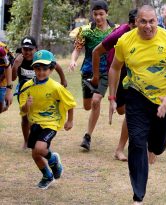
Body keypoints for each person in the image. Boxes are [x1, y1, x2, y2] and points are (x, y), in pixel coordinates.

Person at [108, 5, 166, 204]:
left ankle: (156, 147)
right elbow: (114, 68)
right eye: (143, 21)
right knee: (137, 143)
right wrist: (112, 98)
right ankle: (138, 197)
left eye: (151, 21)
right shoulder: (125, 41)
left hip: (165, 101)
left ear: (157, 21)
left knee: (157, 145)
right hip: (136, 97)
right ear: (135, 22)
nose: (147, 26)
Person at [18, 50, 76, 189]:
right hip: (35, 123)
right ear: (33, 69)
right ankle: (47, 176)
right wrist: (27, 105)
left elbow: (70, 103)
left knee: (40, 148)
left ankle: (53, 159)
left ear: (51, 69)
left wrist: (70, 120)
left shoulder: (56, 87)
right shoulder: (27, 86)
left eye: (45, 69)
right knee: (35, 154)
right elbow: (23, 110)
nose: (41, 72)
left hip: (51, 123)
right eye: (38, 68)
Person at [68, 0, 116, 151]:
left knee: (96, 101)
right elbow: (77, 48)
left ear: (107, 14)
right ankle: (91, 108)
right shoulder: (86, 30)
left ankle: (87, 136)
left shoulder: (115, 31)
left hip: (105, 72)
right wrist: (73, 60)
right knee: (87, 106)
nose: (98, 17)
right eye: (95, 14)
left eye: (101, 14)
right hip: (88, 71)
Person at [92, 8, 138, 161]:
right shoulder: (120, 34)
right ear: (131, 25)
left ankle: (120, 149)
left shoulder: (152, 33)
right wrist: (97, 76)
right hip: (118, 70)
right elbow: (96, 52)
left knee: (134, 110)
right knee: (121, 110)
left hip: (137, 73)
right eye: (137, 27)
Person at [12, 36, 67, 149]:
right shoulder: (19, 59)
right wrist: (15, 65)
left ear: (36, 49)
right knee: (25, 117)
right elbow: (13, 78)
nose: (27, 52)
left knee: (39, 115)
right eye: (24, 49)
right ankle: (27, 141)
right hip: (25, 92)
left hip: (41, 92)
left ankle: (41, 139)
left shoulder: (40, 59)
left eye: (30, 49)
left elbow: (56, 66)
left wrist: (63, 79)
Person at [0, 46, 13, 113]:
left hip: (2, 81)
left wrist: (9, 91)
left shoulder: (2, 50)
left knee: (4, 106)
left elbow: (7, 66)